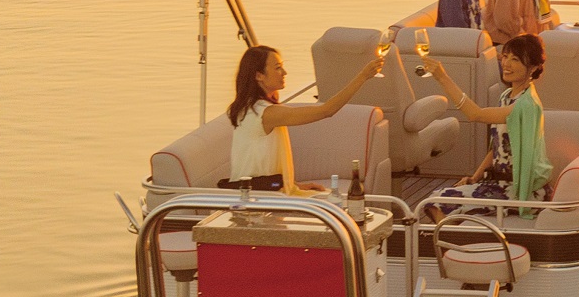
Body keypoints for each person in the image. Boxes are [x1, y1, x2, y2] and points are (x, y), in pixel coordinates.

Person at [227, 40, 393, 195]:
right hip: (261, 199)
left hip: (262, 191)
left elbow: (260, 167)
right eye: (278, 68)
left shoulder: (249, 108)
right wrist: (363, 76)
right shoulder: (266, 113)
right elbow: (326, 111)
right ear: (259, 76)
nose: (284, 73)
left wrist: (295, 185)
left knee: (332, 198)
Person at [416, 32, 551, 203]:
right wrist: (475, 177)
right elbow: (497, 147)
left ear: (532, 67)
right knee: (435, 199)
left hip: (519, 190)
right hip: (498, 183)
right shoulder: (507, 96)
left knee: (437, 202)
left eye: (515, 60)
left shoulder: (526, 105)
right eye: (505, 57)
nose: (507, 64)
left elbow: (475, 114)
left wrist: (442, 78)